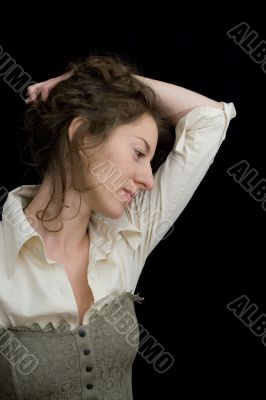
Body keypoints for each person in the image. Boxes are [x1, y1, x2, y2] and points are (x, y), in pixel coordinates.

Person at [0, 52, 237, 399]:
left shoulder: (128, 236)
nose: (148, 180)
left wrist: (92, 83)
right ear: (81, 135)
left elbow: (211, 120)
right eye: (138, 153)